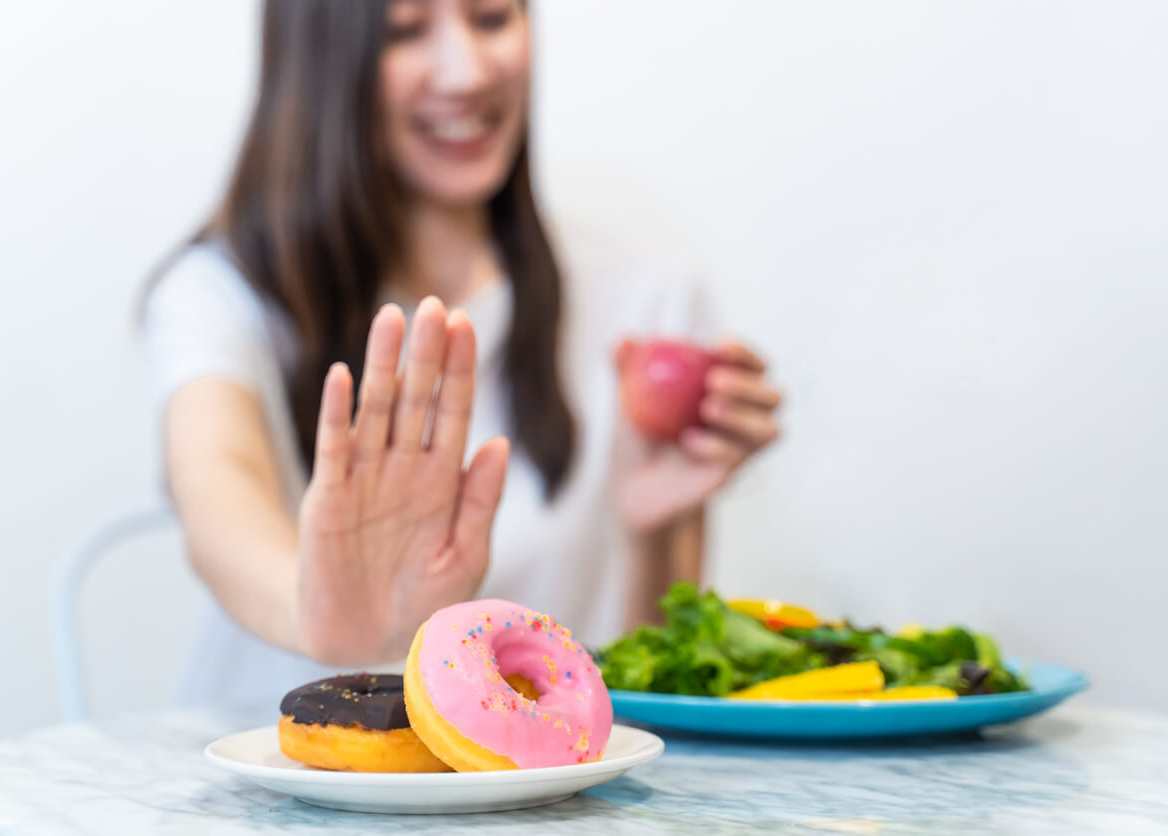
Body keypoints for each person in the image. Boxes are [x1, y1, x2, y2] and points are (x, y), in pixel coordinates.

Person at [142, 0, 782, 708]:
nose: (468, 72)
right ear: (319, 61)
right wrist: (321, 614)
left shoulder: (646, 301)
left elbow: (659, 701)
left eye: (491, 17)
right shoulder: (221, 292)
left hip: (536, 804)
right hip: (274, 791)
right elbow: (216, 485)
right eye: (404, 31)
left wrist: (651, 531)